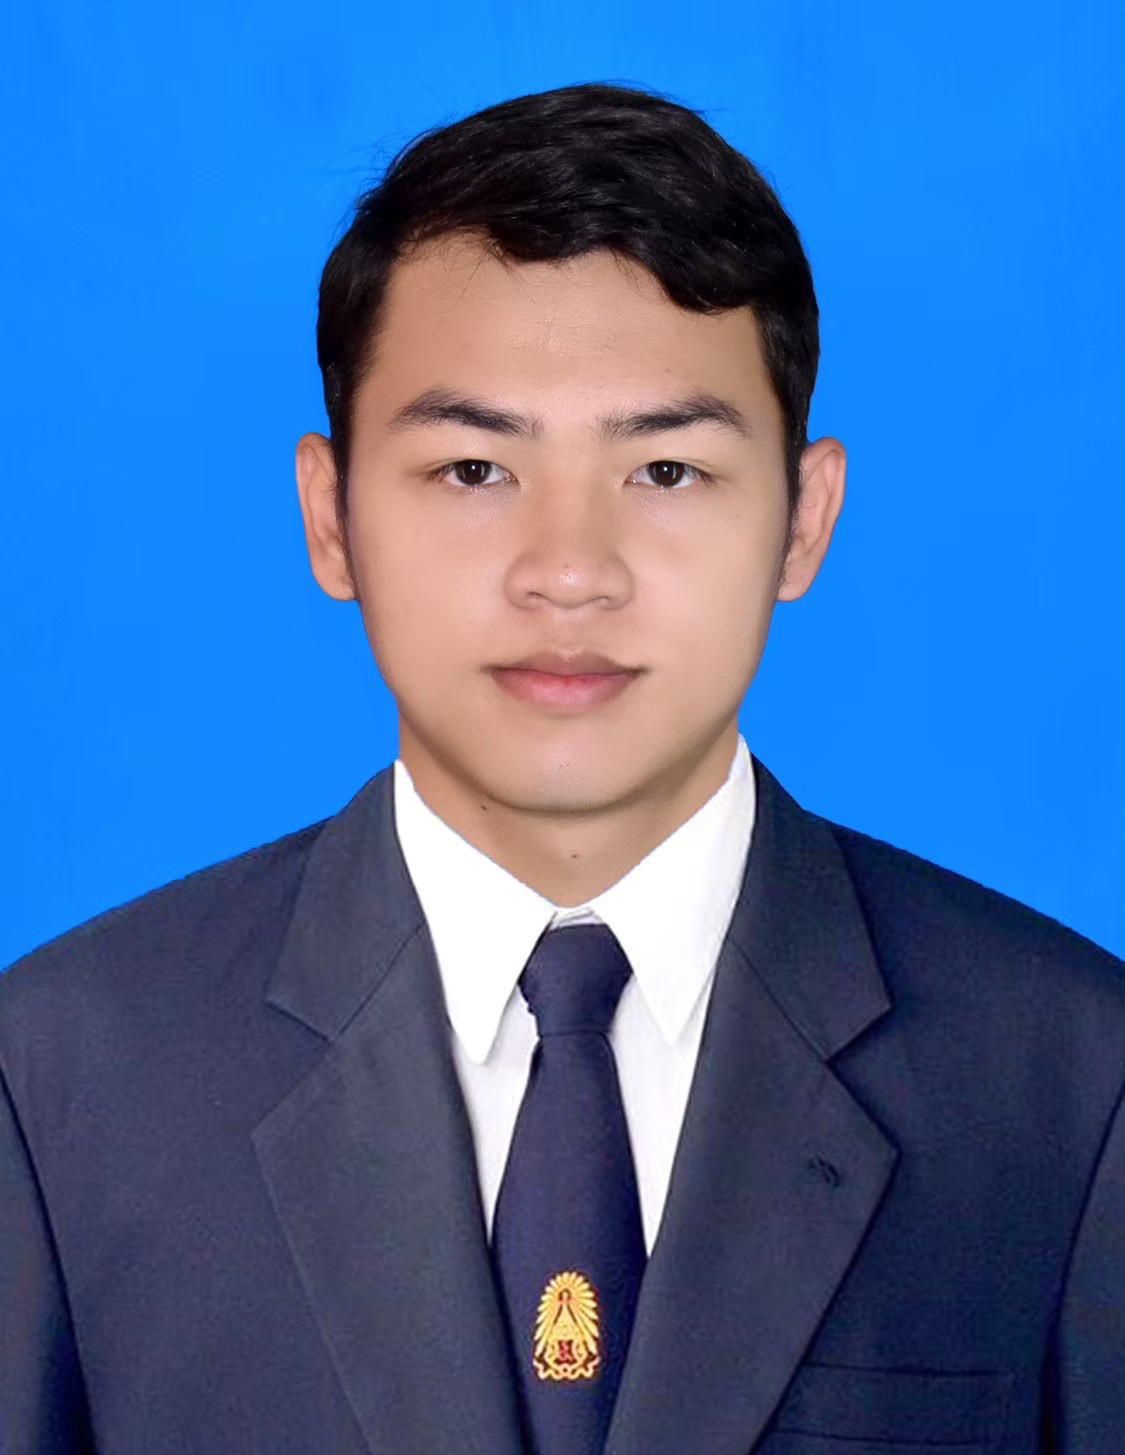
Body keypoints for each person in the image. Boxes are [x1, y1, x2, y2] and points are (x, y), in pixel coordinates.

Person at [1, 81, 1122, 1455]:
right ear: (330, 516)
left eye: (666, 472)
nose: (570, 571)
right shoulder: (63, 1075)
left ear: (803, 518)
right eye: (474, 470)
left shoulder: (1070, 1077)